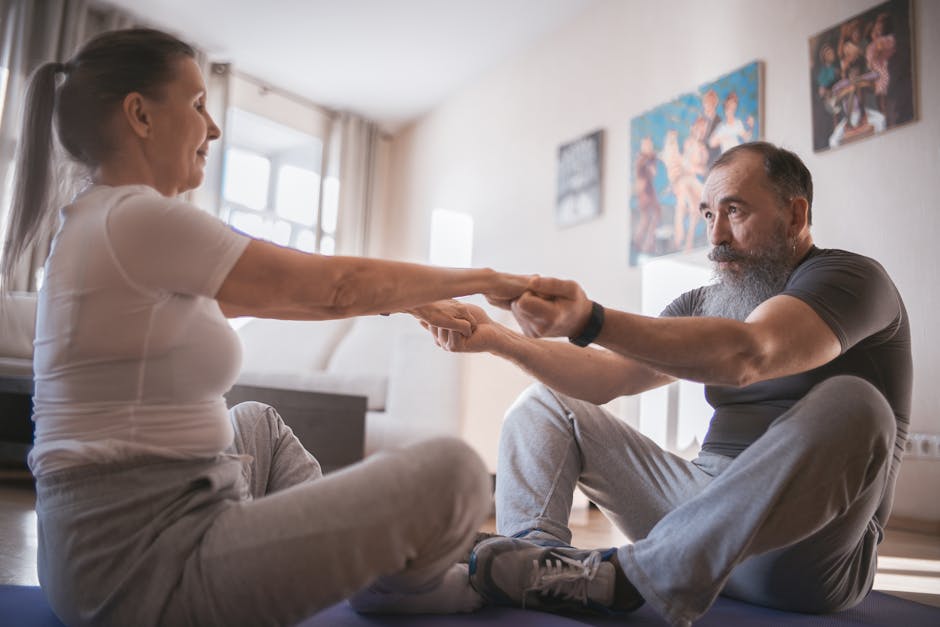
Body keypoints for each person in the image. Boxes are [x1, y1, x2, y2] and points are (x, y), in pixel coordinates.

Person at [0, 28, 537, 627]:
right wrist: (484, 279)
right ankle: (394, 583)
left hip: (116, 543)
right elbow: (332, 286)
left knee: (256, 423)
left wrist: (412, 305)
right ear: (140, 115)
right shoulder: (136, 217)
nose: (214, 128)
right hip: (144, 570)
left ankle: (376, 564)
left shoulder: (108, 223)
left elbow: (303, 301)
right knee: (457, 475)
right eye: (199, 105)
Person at [424, 142, 911, 626]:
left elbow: (751, 352)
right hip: (694, 510)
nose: (715, 235)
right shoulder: (702, 301)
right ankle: (542, 567)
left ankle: (634, 576)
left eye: (734, 210)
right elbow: (608, 375)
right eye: (706, 215)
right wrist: (498, 339)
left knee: (859, 406)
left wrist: (588, 318)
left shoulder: (851, 278)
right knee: (547, 404)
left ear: (795, 214)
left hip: (805, 555)